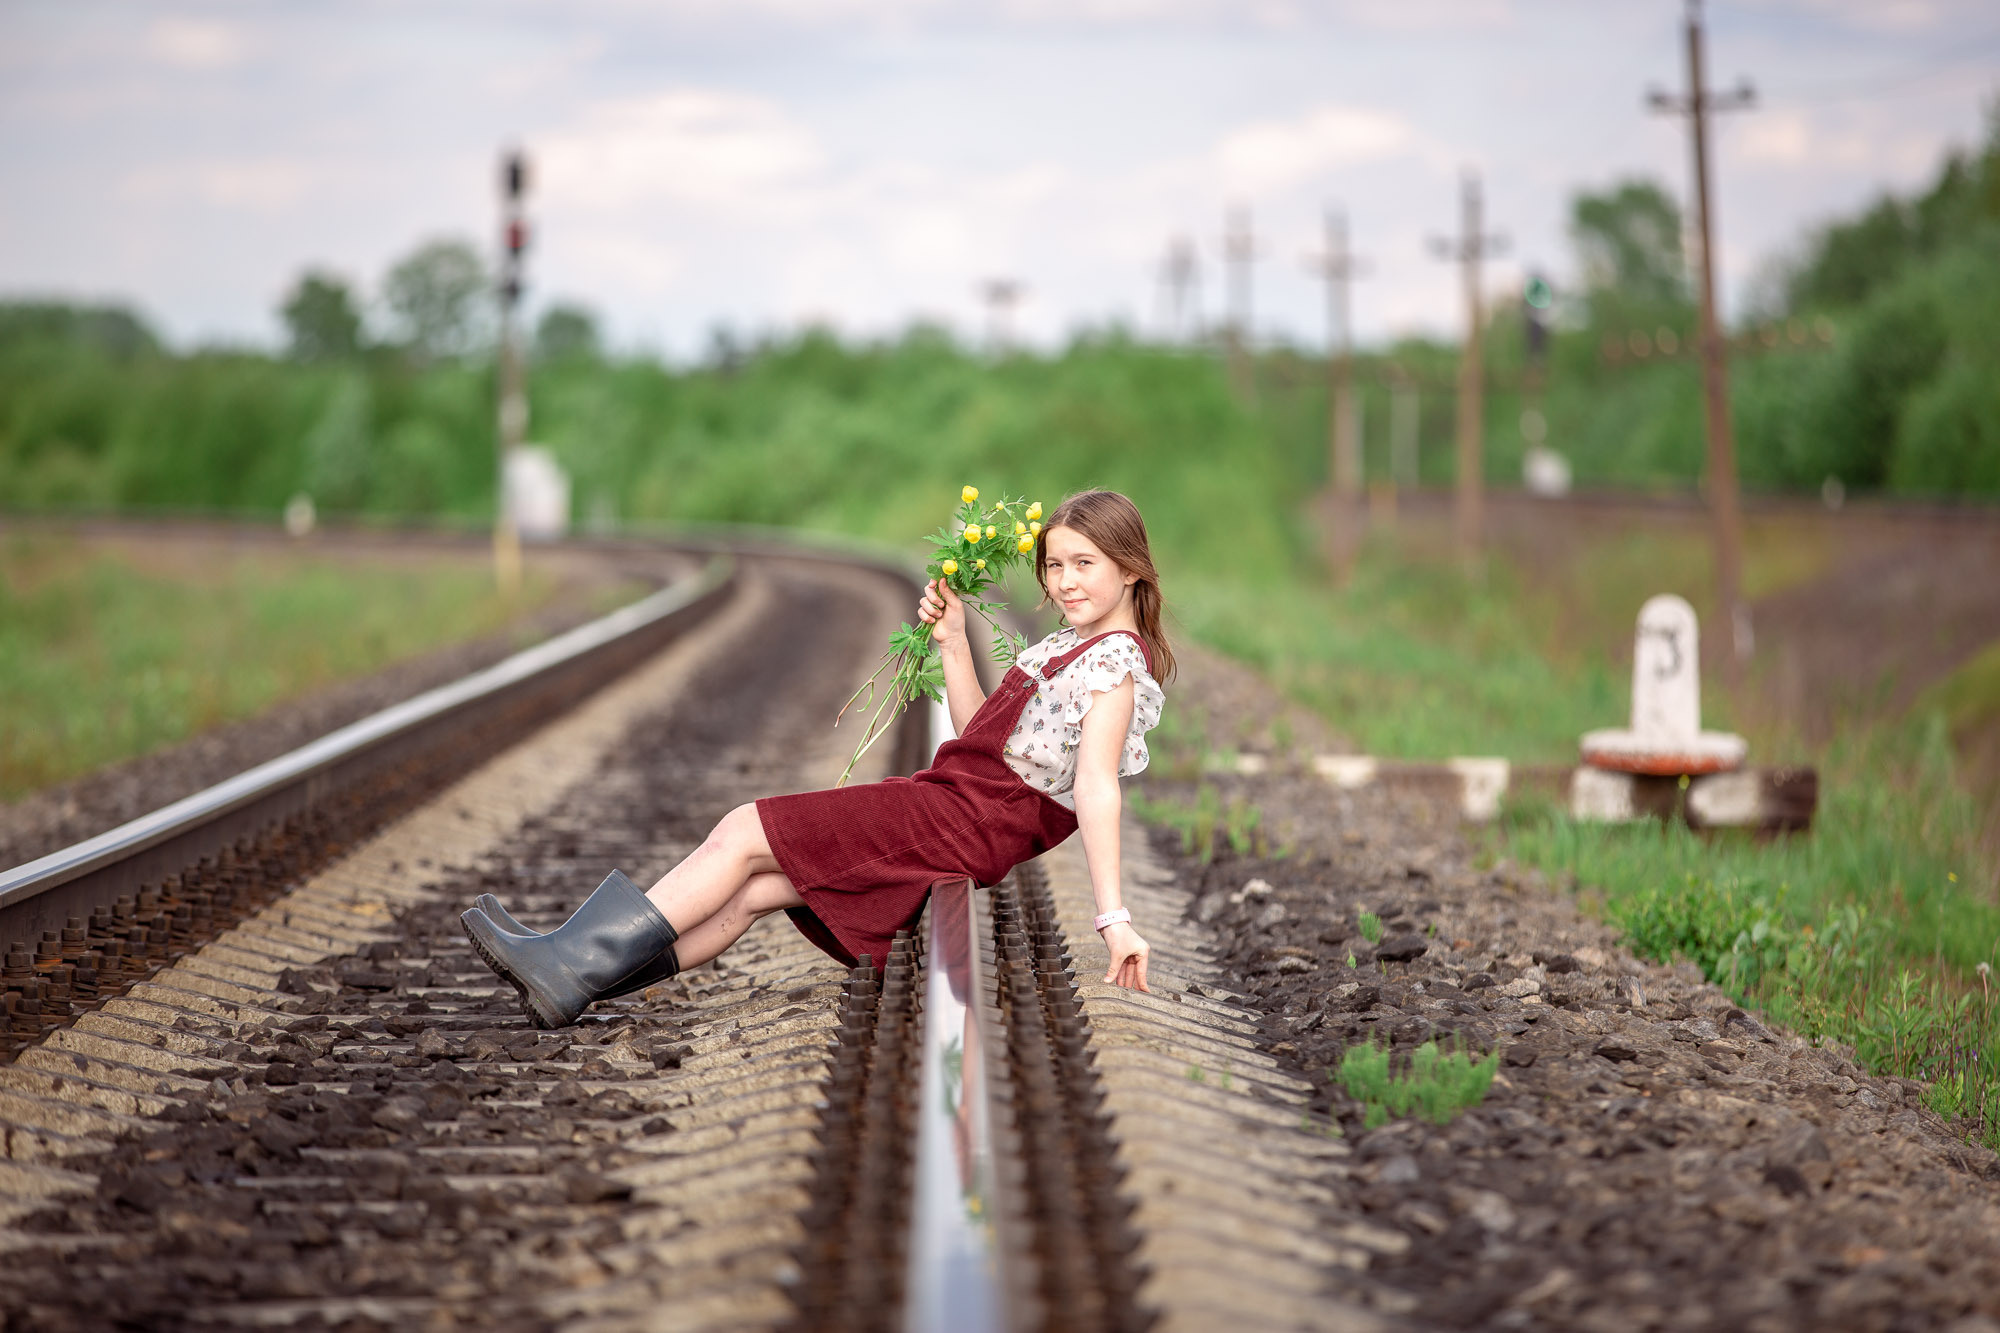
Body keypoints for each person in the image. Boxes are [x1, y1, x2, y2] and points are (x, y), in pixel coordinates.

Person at [462, 489, 1173, 1029]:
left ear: (1132, 572)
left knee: (745, 830)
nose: (1065, 581)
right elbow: (982, 734)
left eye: (1086, 564)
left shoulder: (1114, 662)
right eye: (1054, 565)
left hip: (964, 819)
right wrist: (955, 641)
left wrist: (1112, 916)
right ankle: (573, 982)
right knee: (754, 888)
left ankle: (566, 960)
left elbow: (1095, 788)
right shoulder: (1068, 646)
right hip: (958, 803)